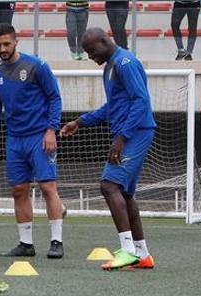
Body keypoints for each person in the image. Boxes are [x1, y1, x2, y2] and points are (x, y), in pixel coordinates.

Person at [60, 27, 156, 270]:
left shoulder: (125, 62)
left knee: (108, 185)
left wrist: (122, 138)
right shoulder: (111, 66)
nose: (91, 56)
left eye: (92, 51)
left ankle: (127, 251)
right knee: (124, 194)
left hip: (136, 133)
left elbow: (141, 100)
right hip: (131, 133)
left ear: (105, 41)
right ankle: (142, 254)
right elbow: (112, 107)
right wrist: (80, 122)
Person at [0, 23, 65, 259]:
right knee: (19, 190)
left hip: (39, 136)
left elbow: (54, 98)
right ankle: (26, 244)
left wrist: (52, 130)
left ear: (16, 41)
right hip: (14, 139)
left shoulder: (36, 66)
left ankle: (57, 241)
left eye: (6, 43)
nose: (2, 48)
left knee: (48, 186)